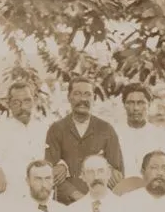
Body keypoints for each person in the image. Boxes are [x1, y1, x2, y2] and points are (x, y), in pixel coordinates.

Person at [45, 76, 125, 204]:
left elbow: (118, 172)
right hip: (66, 204)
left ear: (94, 98)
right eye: (77, 94)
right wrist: (76, 195)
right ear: (69, 98)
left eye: (88, 94)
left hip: (99, 203)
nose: (83, 99)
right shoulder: (56, 129)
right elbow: (49, 172)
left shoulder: (106, 129)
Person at [0, 82, 49, 197]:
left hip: (42, 193)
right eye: (16, 102)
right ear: (8, 104)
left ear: (34, 100)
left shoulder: (45, 128)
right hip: (12, 194)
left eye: (27, 101)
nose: (22, 107)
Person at [116, 83, 165, 177]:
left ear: (149, 104)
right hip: (121, 189)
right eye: (131, 103)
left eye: (141, 103)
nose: (136, 108)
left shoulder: (161, 136)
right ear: (124, 105)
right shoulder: (114, 134)